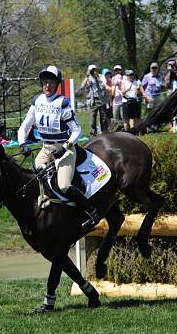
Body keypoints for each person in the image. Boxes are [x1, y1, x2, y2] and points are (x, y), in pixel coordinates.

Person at [17, 65, 99, 229]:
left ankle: (92, 212)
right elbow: (24, 127)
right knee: (34, 176)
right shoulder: (37, 101)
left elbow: (77, 130)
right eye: (45, 82)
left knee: (63, 185)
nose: (47, 86)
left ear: (56, 84)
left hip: (64, 149)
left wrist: (66, 146)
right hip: (46, 148)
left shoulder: (63, 103)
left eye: (51, 83)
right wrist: (22, 143)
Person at [81, 64, 108, 136]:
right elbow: (82, 86)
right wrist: (87, 77)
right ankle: (93, 134)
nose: (94, 71)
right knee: (93, 118)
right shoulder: (89, 78)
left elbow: (104, 85)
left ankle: (104, 132)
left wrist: (98, 77)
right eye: (92, 70)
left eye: (95, 70)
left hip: (102, 98)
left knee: (104, 117)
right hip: (93, 100)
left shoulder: (101, 76)